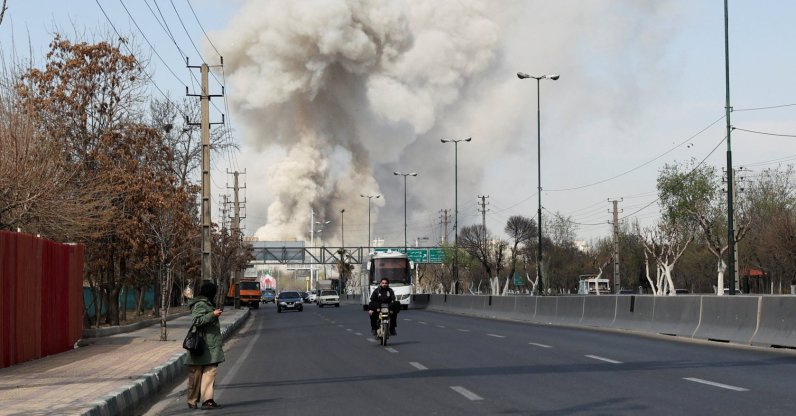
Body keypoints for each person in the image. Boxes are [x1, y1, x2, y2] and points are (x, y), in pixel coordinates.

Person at [184, 281, 225, 410]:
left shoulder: (207, 303)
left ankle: (208, 400)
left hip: (210, 346)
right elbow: (197, 320)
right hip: (200, 345)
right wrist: (212, 314)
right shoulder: (200, 304)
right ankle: (192, 400)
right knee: (196, 374)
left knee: (211, 372)